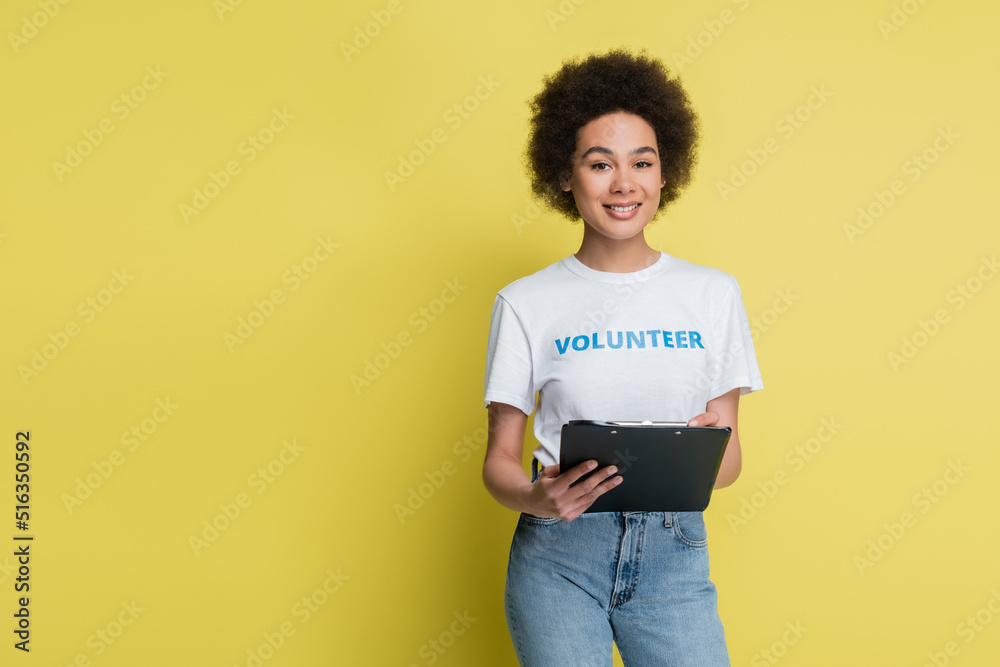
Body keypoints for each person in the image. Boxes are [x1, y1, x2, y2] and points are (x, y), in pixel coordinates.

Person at [482, 48, 764, 666]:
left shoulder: (713, 294)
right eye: (599, 163)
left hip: (674, 551)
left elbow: (730, 461)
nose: (623, 183)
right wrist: (536, 499)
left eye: (642, 162)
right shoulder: (525, 302)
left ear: (666, 173)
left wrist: (697, 454)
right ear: (565, 174)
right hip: (558, 555)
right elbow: (500, 460)